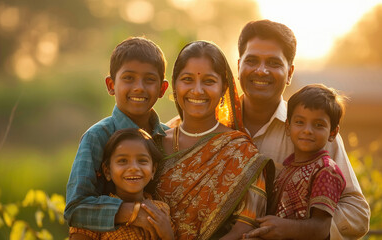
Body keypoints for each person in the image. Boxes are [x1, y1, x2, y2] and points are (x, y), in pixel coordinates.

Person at [237, 20, 370, 239]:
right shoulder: (215, 125)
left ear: (289, 73)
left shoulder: (313, 132)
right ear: (239, 65)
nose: (261, 70)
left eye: (273, 63)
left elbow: (358, 214)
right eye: (252, 61)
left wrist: (298, 228)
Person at [153, 40, 274, 240]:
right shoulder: (153, 145)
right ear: (174, 84)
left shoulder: (242, 153)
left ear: (223, 87)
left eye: (209, 81)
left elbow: (244, 231)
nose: (197, 90)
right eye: (187, 79)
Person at [65, 37, 170, 237]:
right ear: (111, 85)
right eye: (129, 78)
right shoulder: (97, 137)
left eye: (149, 79)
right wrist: (134, 213)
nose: (139, 87)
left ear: (162, 89)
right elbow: (75, 208)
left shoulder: (167, 137)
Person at [244, 84, 347, 239]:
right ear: (288, 126)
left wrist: (283, 227)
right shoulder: (287, 167)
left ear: (333, 132)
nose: (307, 130)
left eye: (318, 125)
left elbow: (321, 228)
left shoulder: (325, 170)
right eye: (299, 122)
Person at [69, 128, 174, 240]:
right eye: (123, 161)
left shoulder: (161, 210)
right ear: (107, 171)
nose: (134, 168)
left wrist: (168, 235)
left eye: (142, 160)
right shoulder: (92, 215)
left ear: (153, 170)